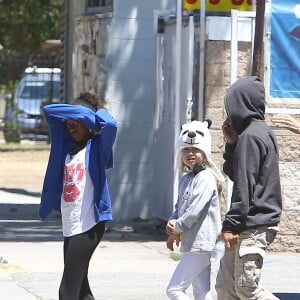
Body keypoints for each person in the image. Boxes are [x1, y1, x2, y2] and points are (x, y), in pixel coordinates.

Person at [39, 92, 117, 300]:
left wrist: (90, 114)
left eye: (76, 122)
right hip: (72, 225)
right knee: (82, 290)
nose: (70, 127)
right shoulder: (67, 149)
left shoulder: (98, 148)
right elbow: (49, 111)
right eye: (68, 123)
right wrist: (77, 116)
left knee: (67, 291)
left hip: (89, 225)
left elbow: (109, 124)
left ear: (87, 122)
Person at [216, 76, 282, 300]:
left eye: (230, 105)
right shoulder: (259, 133)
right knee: (226, 289)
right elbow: (238, 173)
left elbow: (243, 187)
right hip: (248, 223)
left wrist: (231, 225)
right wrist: (231, 145)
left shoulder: (252, 137)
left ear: (240, 104)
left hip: (252, 225)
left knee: (246, 289)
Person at [165, 120, 224, 300]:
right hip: (193, 243)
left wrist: (177, 227)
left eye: (195, 150)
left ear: (204, 152)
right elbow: (180, 206)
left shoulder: (206, 177)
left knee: (174, 290)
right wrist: (173, 225)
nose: (190, 153)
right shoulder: (187, 178)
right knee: (202, 292)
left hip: (201, 243)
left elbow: (194, 211)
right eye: (185, 149)